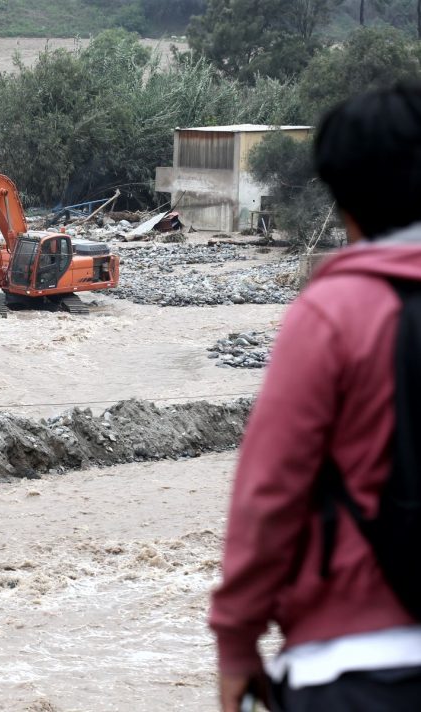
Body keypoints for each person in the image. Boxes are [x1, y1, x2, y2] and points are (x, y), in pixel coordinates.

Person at [210, 82, 421, 711]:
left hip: (354, 664)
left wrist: (238, 642)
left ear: (340, 198)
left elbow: (270, 492)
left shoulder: (333, 314)